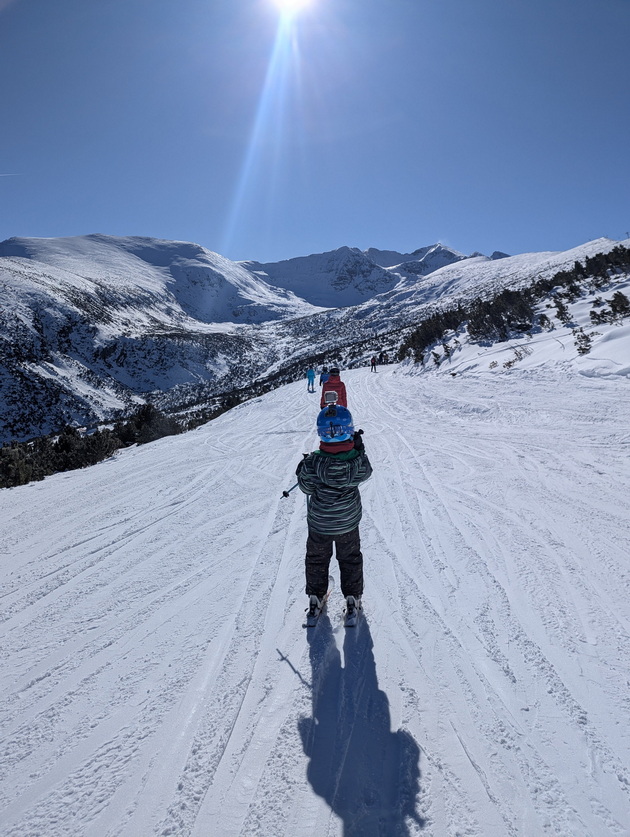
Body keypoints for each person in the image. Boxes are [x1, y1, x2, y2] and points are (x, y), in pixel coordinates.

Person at [296, 404, 372, 621]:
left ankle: (316, 597)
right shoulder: (356, 461)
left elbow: (306, 489)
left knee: (316, 559)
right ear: (349, 431)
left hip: (320, 524)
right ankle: (352, 598)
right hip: (348, 523)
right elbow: (366, 472)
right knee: (350, 559)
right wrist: (359, 450)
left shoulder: (313, 462)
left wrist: (302, 471)